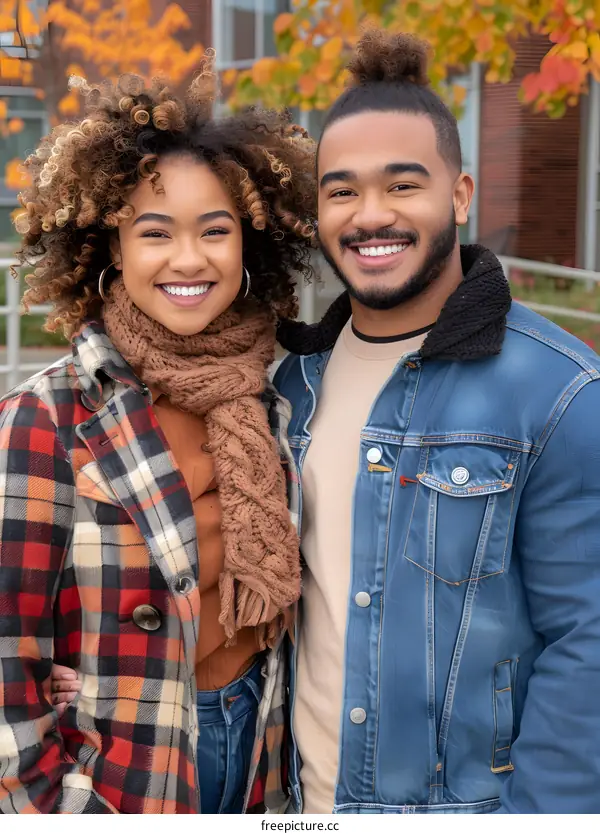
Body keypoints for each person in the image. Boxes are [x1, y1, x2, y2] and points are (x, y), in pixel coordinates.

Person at [274, 29, 600, 814]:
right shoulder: (289, 385)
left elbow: (589, 644)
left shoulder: (559, 391)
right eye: (342, 190)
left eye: (402, 185)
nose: (370, 215)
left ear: (459, 194)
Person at [0, 61, 314, 814]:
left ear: (249, 244)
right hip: (122, 764)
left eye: (215, 230)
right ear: (112, 248)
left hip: (268, 749)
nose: (188, 259)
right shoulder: (48, 416)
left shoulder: (284, 393)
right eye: (155, 232)